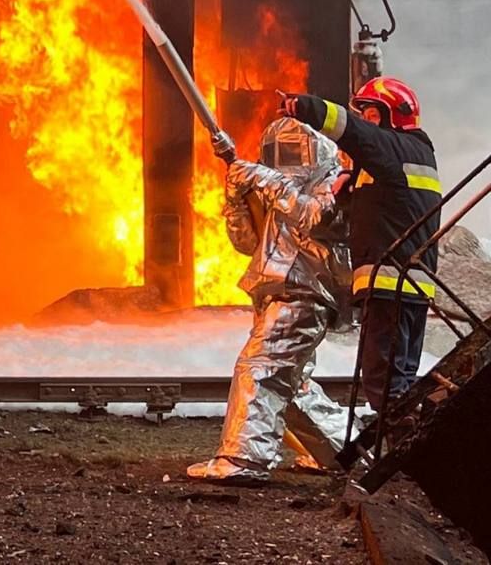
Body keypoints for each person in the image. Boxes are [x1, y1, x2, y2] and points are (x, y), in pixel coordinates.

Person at [187, 117, 355, 483]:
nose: (282, 159)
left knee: (259, 369)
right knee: (292, 383)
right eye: (275, 153)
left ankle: (243, 460)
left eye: (292, 151)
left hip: (305, 293)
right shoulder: (280, 190)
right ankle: (350, 453)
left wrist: (263, 179)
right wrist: (235, 199)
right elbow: (248, 243)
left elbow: (315, 218)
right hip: (275, 292)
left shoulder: (331, 183)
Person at [278, 77, 441, 411]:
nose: (366, 120)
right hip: (411, 285)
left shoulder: (392, 146)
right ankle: (407, 441)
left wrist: (305, 106)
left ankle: (399, 448)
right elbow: (390, 204)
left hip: (390, 283)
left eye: (370, 113)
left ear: (391, 115)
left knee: (384, 382)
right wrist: (352, 186)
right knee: (399, 377)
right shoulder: (412, 156)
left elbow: (351, 130)